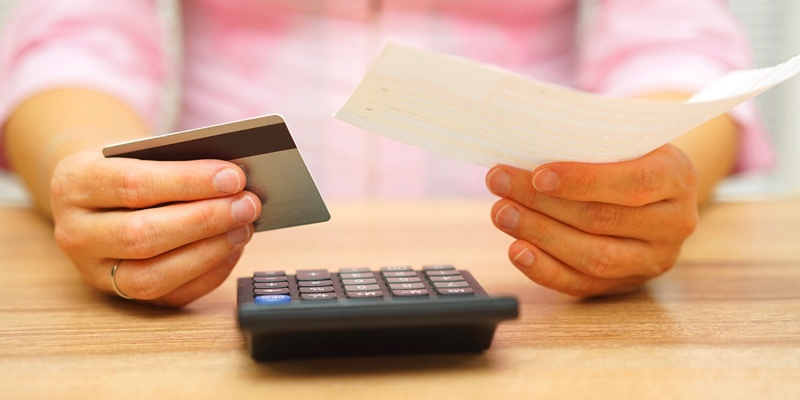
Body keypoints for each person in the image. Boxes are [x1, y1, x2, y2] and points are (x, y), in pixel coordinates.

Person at [0, 0, 774, 307]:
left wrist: (644, 175)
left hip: (542, 288)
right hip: (211, 286)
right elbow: (77, 39)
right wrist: (94, 177)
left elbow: (675, 41)